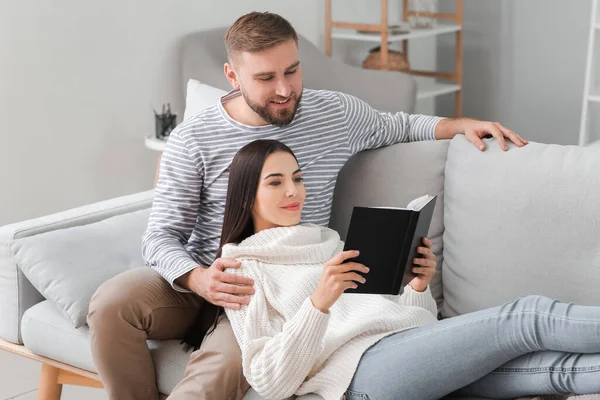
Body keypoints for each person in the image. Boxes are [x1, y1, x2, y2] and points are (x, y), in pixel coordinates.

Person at [86, 11, 528, 400]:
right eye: (265, 78)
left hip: (275, 291)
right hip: (206, 276)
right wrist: (198, 278)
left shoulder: (332, 114)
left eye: (292, 71)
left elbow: (400, 125)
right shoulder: (193, 140)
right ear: (232, 76)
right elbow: (160, 236)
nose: (284, 90)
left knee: (216, 375)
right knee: (110, 304)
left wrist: (465, 124)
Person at [211, 138, 600, 400]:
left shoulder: (326, 239)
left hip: (408, 353)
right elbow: (268, 380)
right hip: (361, 374)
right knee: (525, 318)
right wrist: (318, 304)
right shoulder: (244, 269)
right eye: (275, 183)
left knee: (554, 372)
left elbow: (411, 322)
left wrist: (417, 286)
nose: (293, 192)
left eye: (296, 178)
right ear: (248, 197)